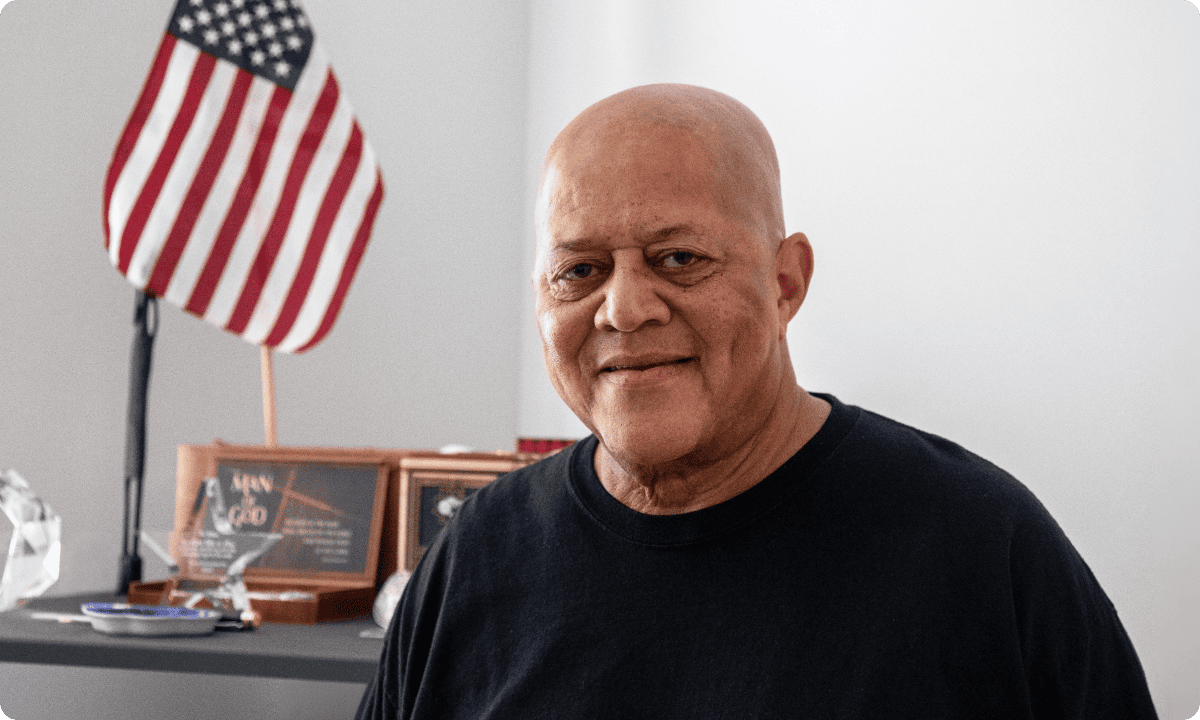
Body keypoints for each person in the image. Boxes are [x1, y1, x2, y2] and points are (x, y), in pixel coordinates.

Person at [355, 84, 1156, 719]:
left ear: (785, 283)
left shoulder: (979, 546)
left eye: (678, 257)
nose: (625, 309)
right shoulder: (476, 555)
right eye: (580, 270)